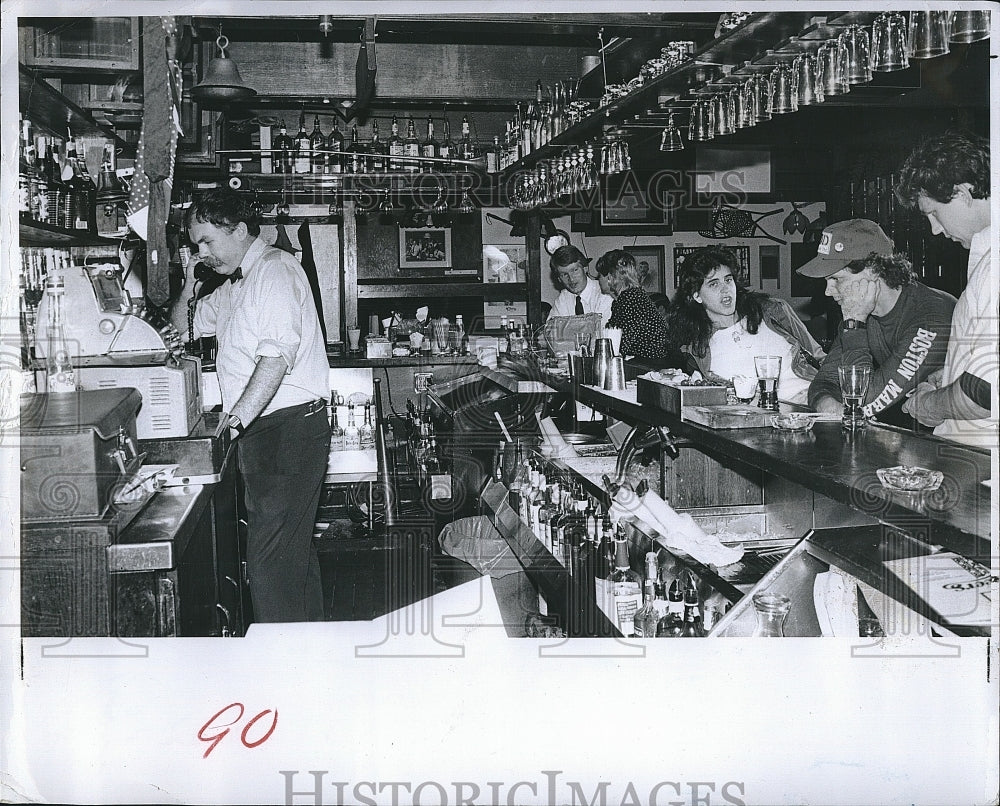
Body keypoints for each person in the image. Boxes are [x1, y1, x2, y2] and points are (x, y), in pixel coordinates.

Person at [186, 189, 331, 622]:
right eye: (196, 244)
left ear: (241, 230)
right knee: (292, 558)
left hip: (286, 431)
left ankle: (283, 675)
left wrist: (233, 424)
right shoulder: (235, 285)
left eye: (207, 241)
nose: (201, 252)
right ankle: (315, 657)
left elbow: (275, 358)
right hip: (268, 431)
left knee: (268, 569)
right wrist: (189, 282)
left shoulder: (275, 272)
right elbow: (185, 326)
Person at [797, 219, 956, 427]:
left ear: (873, 270)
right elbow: (824, 382)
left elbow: (864, 402)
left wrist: (854, 324)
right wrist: (828, 405)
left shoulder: (930, 317)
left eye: (836, 279)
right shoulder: (860, 312)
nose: (828, 291)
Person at [895, 131, 996, 448]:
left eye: (933, 213)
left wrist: (925, 405)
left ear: (963, 193)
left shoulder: (995, 267)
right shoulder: (987, 258)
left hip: (981, 465)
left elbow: (983, 393)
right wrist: (952, 374)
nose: (935, 230)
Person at [667, 245, 824, 402]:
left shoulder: (772, 310)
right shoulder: (696, 348)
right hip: (761, 417)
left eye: (728, 280)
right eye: (714, 284)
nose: (725, 289)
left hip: (814, 401)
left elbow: (820, 358)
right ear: (697, 296)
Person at [594, 249, 687, 366]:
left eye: (601, 275)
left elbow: (621, 344)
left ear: (611, 277)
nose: (598, 279)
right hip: (650, 363)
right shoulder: (628, 297)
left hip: (658, 365)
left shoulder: (630, 298)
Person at [547, 244, 614, 328]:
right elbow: (552, 332)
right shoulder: (563, 299)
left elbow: (601, 333)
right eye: (564, 274)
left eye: (575, 270)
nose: (571, 279)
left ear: (585, 268)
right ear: (559, 279)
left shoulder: (604, 293)